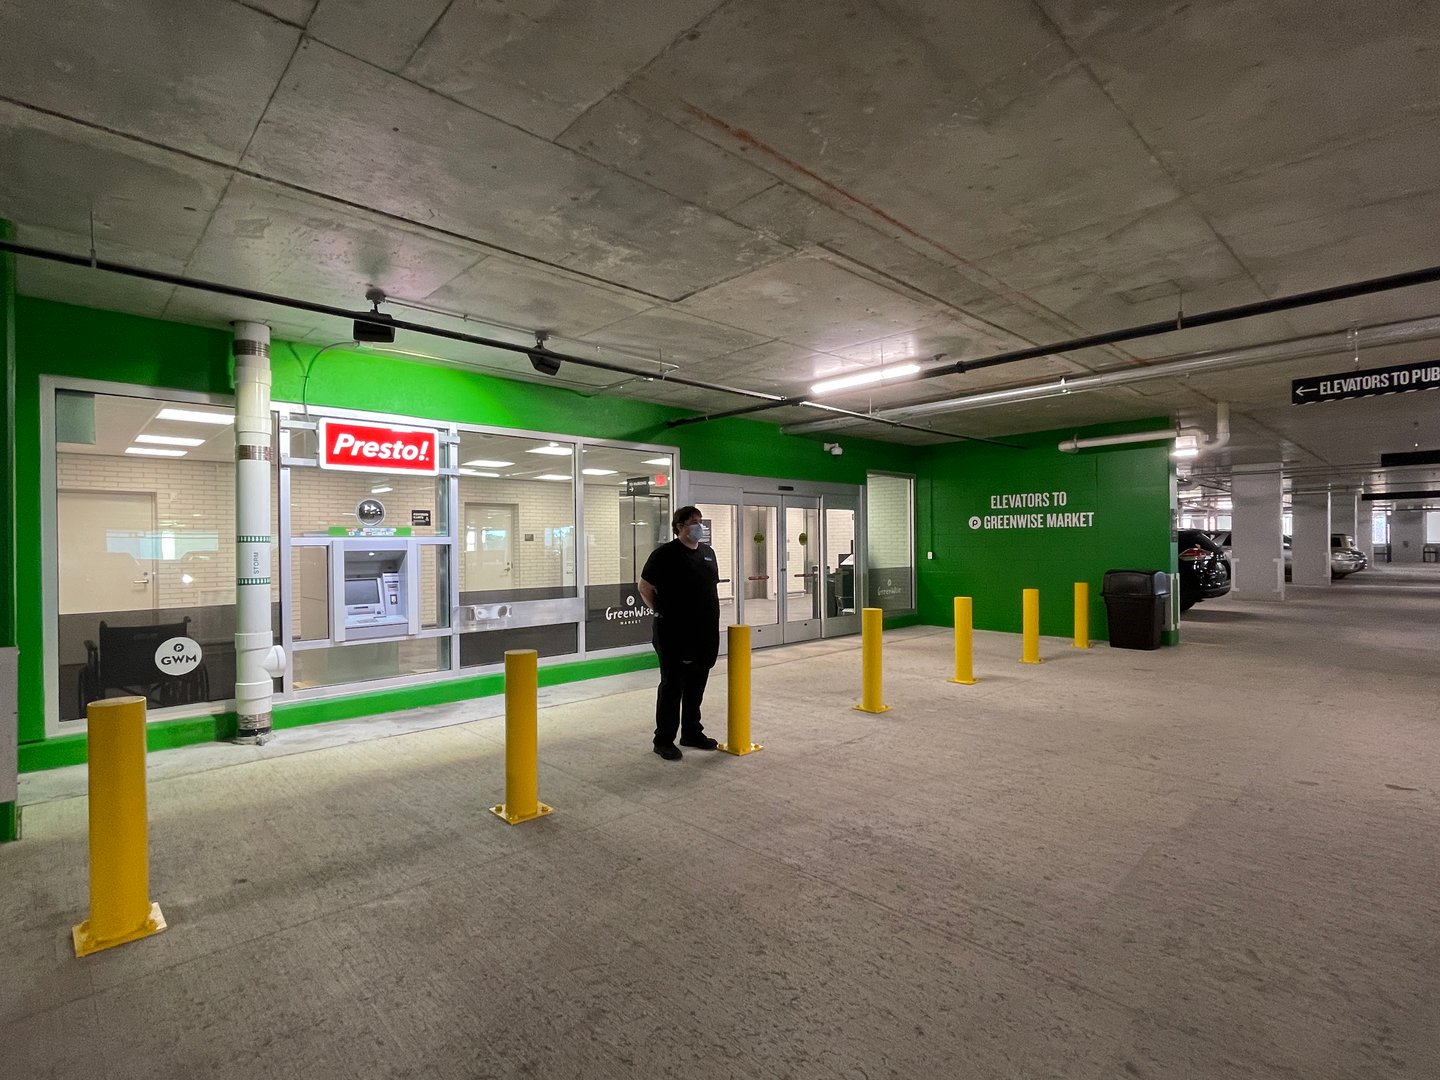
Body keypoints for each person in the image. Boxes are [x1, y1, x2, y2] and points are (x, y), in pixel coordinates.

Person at [638, 505, 721, 760]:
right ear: (679, 527)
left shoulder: (708, 553)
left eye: (700, 521)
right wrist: (663, 611)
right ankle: (663, 739)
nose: (698, 526)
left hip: (704, 632)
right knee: (673, 686)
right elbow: (644, 587)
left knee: (697, 684)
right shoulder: (664, 555)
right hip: (673, 632)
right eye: (692, 522)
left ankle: (691, 732)